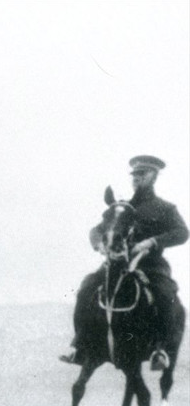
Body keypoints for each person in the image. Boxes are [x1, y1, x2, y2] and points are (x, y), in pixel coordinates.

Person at [61, 155, 188, 369]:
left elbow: (183, 233)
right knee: (86, 288)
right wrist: (99, 244)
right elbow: (97, 230)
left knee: (166, 295)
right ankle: (80, 346)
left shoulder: (165, 208)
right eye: (135, 174)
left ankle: (160, 349)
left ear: (154, 177)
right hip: (118, 264)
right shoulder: (122, 208)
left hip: (150, 265)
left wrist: (153, 241)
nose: (137, 178)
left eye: (143, 174)